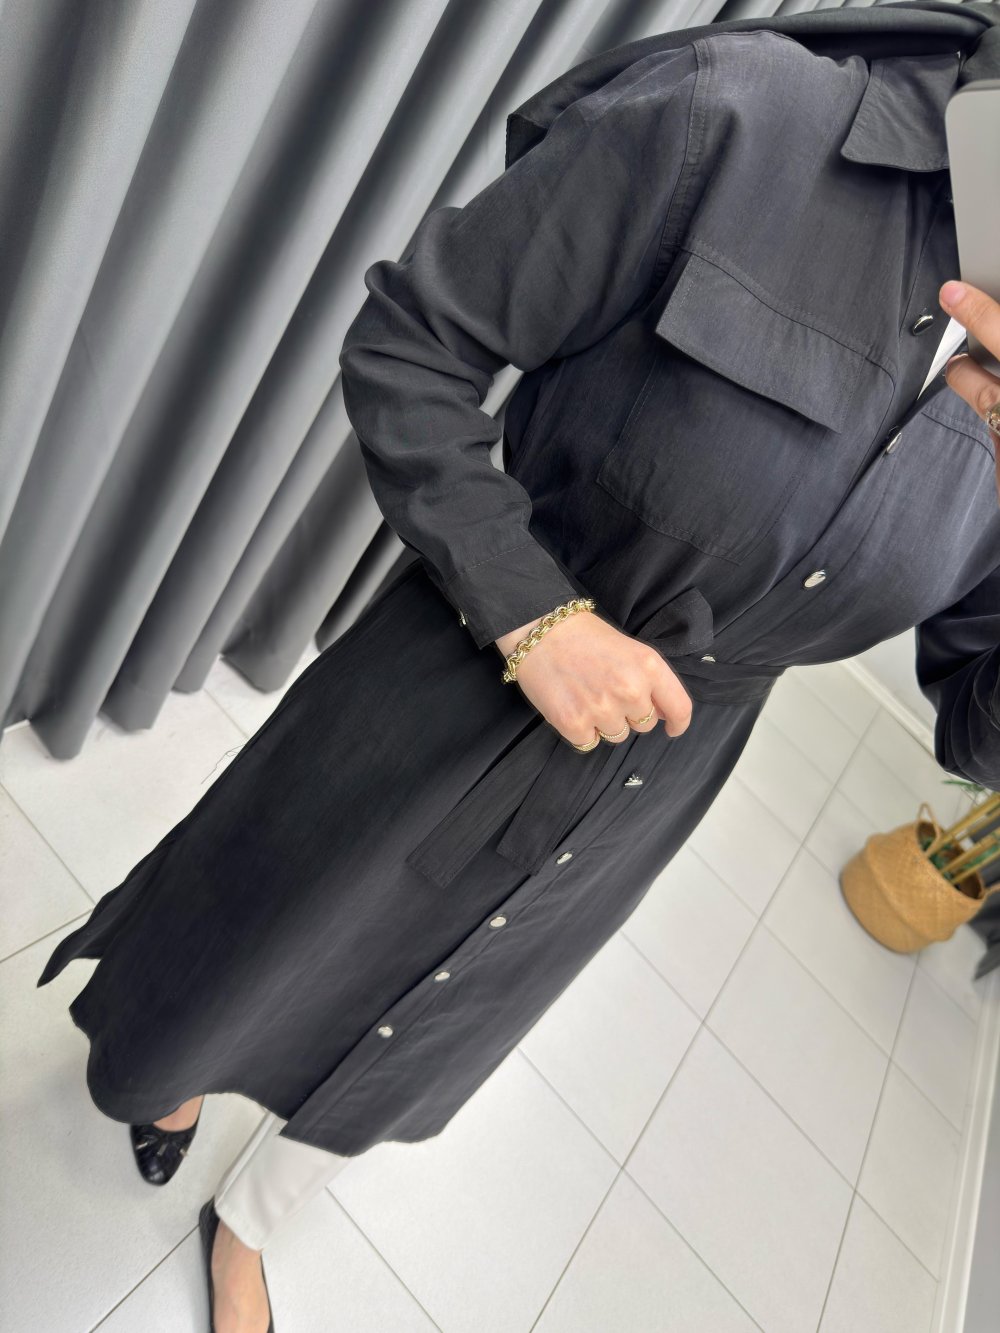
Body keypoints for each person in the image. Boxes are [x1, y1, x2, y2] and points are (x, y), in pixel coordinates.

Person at [35, 12, 1000, 1333]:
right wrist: (537, 618)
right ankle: (181, 1075)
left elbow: (978, 721)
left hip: (647, 786)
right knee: (253, 938)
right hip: (454, 673)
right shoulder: (745, 116)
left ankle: (252, 1222)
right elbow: (411, 344)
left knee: (433, 1021)